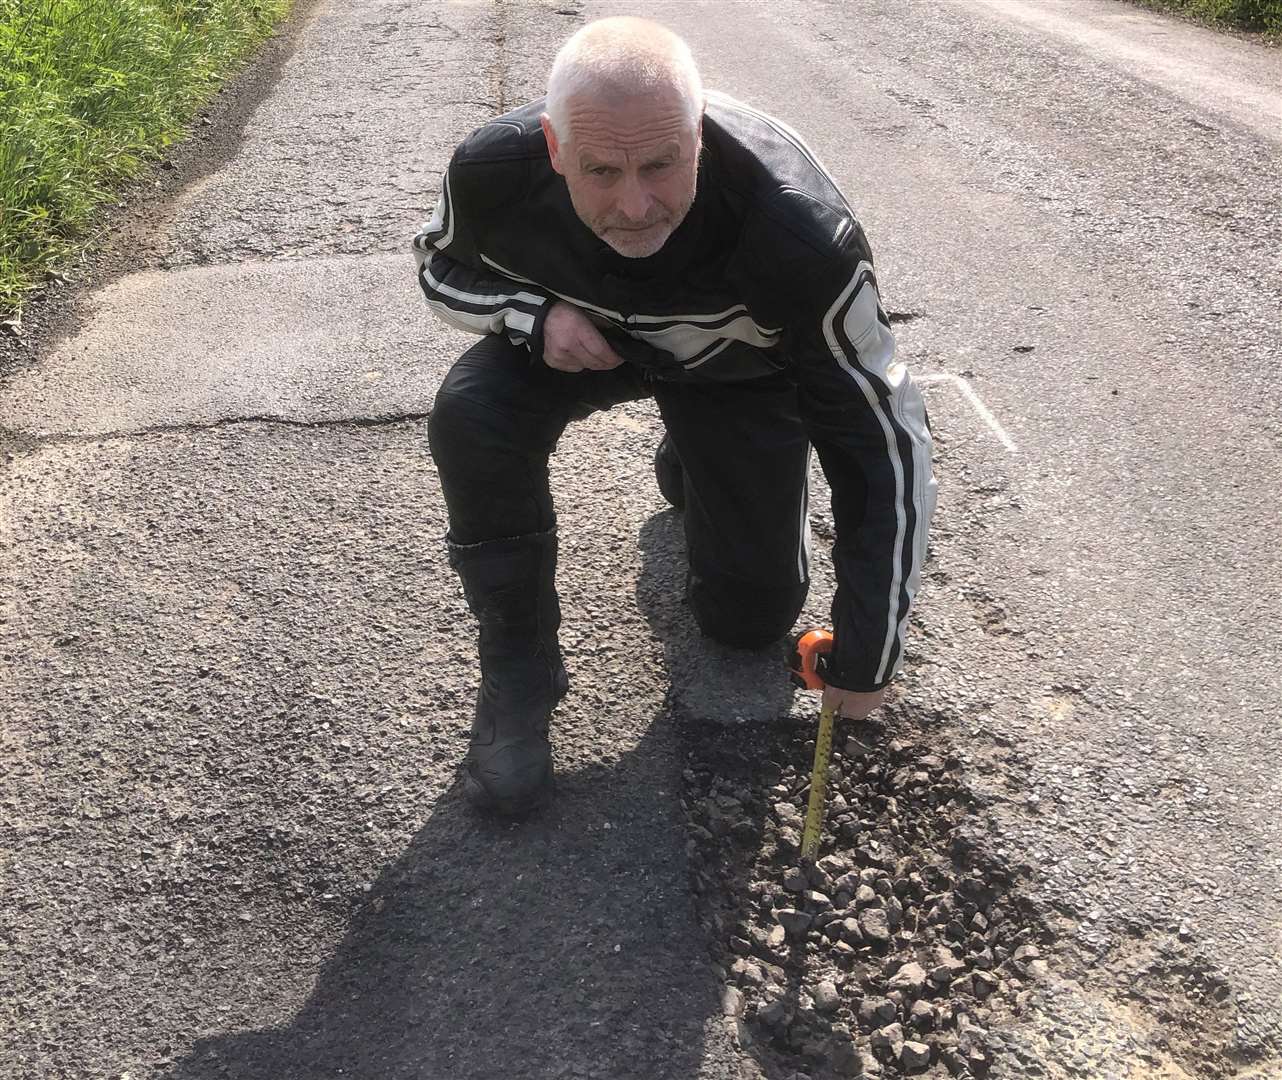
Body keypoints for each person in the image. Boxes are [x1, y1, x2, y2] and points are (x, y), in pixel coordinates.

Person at [413, 17, 936, 816]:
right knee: (471, 412)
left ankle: (697, 462)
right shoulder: (495, 172)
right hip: (586, 339)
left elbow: (880, 439)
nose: (634, 205)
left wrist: (867, 653)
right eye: (600, 171)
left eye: (662, 164)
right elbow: (438, 265)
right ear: (554, 150)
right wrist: (532, 316)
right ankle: (519, 664)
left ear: (698, 135)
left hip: (737, 373)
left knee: (748, 623)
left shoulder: (799, 235)